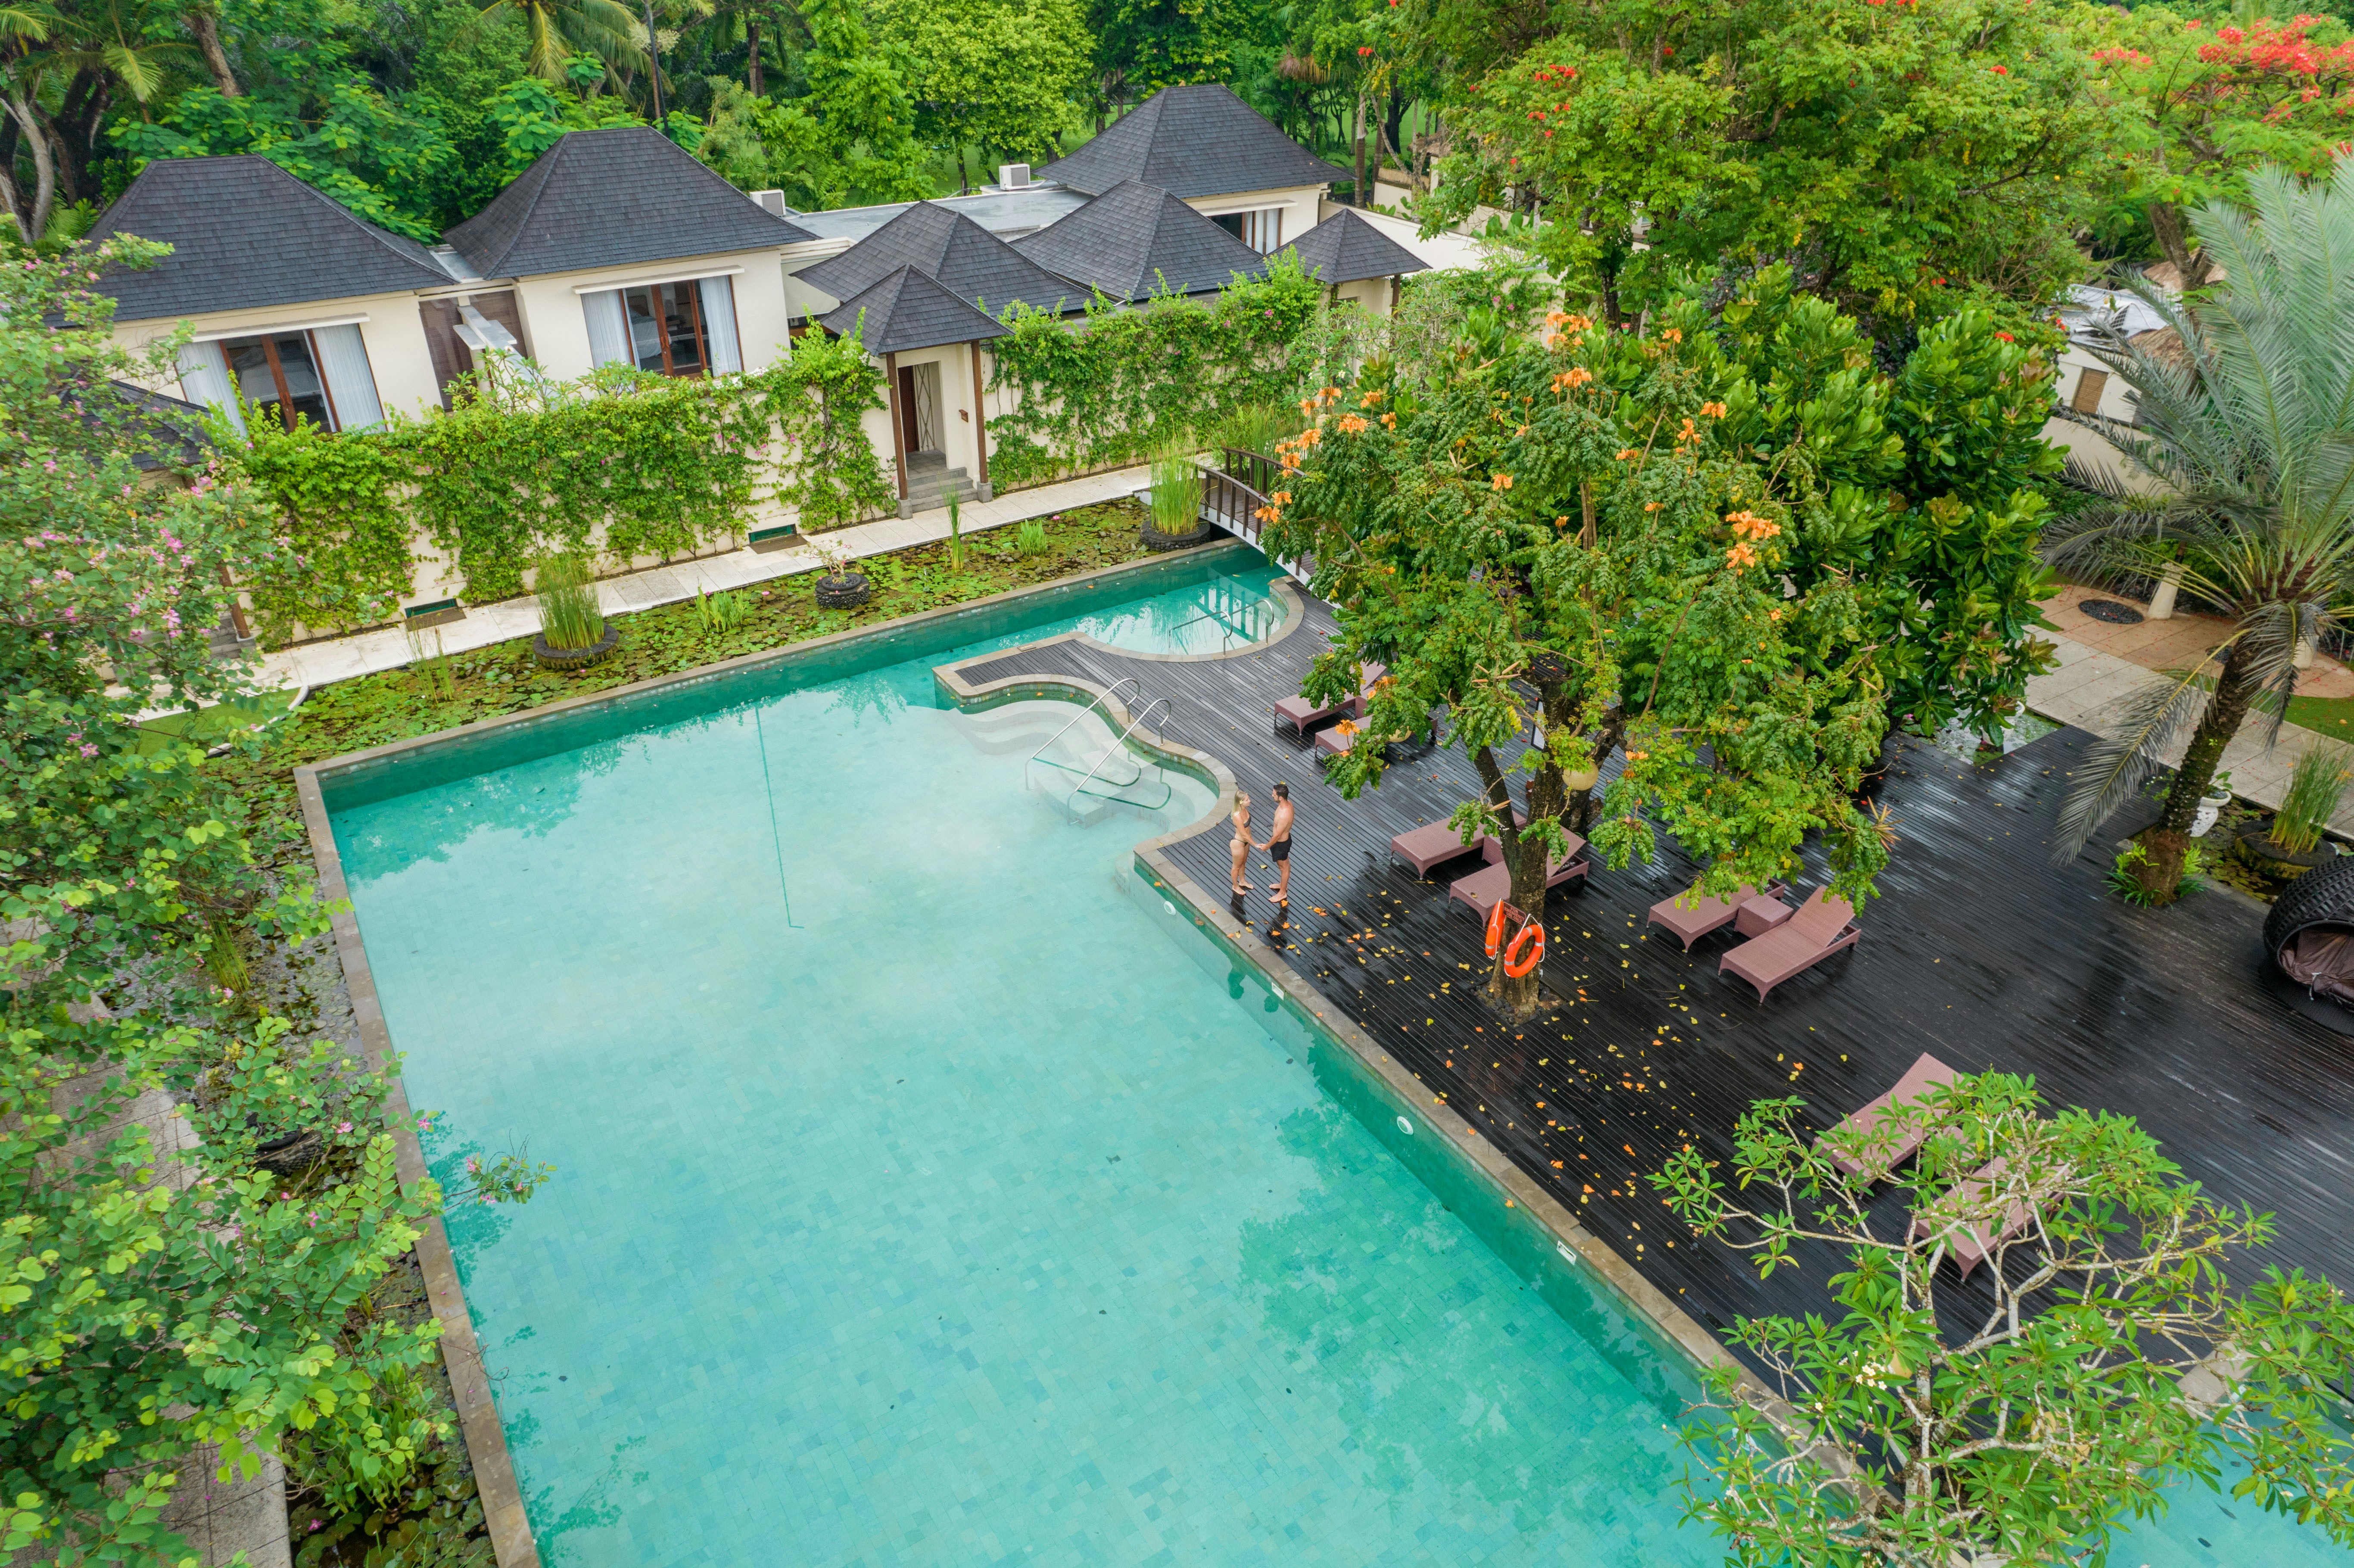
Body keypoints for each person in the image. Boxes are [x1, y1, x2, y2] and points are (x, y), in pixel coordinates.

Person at [1260, 781, 1295, 903]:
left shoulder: (1285, 814)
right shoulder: (1286, 804)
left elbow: (1278, 835)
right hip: (1280, 842)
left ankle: (1283, 893)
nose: (1272, 795)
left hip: (1281, 844)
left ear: (1280, 797)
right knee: (1285, 865)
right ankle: (1282, 885)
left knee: (1283, 868)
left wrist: (1267, 846)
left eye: (1274, 794)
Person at [1229, 789, 1253, 897]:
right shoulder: (1237, 816)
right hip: (1239, 843)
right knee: (1237, 866)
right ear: (1240, 802)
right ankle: (1235, 886)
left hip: (1246, 842)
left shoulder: (1244, 809)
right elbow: (1243, 834)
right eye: (1247, 800)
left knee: (1244, 863)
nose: (1250, 801)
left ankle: (1242, 881)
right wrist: (1255, 844)